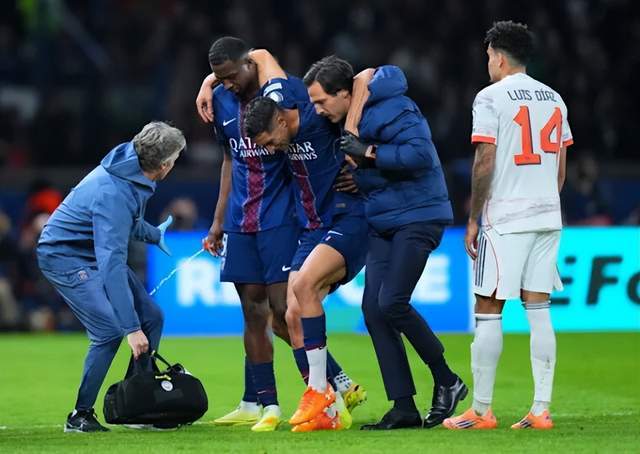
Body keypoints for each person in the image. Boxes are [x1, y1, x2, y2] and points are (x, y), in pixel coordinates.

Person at [196, 37, 364, 432]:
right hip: (241, 219)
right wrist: (218, 221)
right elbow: (229, 159)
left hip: (284, 218)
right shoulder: (219, 100)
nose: (227, 83)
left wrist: (354, 162)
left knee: (283, 312)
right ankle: (260, 403)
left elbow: (261, 57)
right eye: (220, 78)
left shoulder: (282, 99)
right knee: (253, 312)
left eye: (230, 76)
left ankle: (332, 390)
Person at [303, 56, 467, 430]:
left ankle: (446, 379)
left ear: (345, 94)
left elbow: (420, 154)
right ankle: (404, 406)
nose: (318, 110)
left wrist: (368, 153)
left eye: (322, 101)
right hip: (383, 220)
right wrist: (362, 177)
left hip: (419, 215)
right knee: (374, 310)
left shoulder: (392, 107)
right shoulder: (346, 119)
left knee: (392, 302)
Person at [444, 21, 573, 431]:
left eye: (488, 56)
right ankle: (541, 410)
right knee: (539, 309)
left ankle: (481, 411)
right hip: (547, 215)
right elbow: (560, 168)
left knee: (487, 308)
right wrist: (543, 202)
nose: (488, 63)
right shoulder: (555, 99)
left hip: (506, 218)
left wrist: (474, 217)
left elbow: (485, 159)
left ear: (499, 57)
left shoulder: (490, 97)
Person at [242, 49, 369, 432]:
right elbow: (259, 55)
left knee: (300, 288)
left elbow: (364, 76)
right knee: (290, 315)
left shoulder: (318, 117)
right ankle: (329, 412)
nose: (270, 150)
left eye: (270, 141)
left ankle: (320, 392)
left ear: (282, 120)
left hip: (345, 219)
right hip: (312, 229)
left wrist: (353, 135)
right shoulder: (275, 99)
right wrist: (209, 81)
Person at [36, 121, 184, 432]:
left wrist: (153, 234)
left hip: (91, 250)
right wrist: (131, 328)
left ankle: (137, 407)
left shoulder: (132, 166)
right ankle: (80, 415)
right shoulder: (114, 191)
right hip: (64, 255)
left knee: (153, 317)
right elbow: (112, 262)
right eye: (175, 159)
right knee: (108, 330)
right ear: (164, 165)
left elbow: (122, 222)